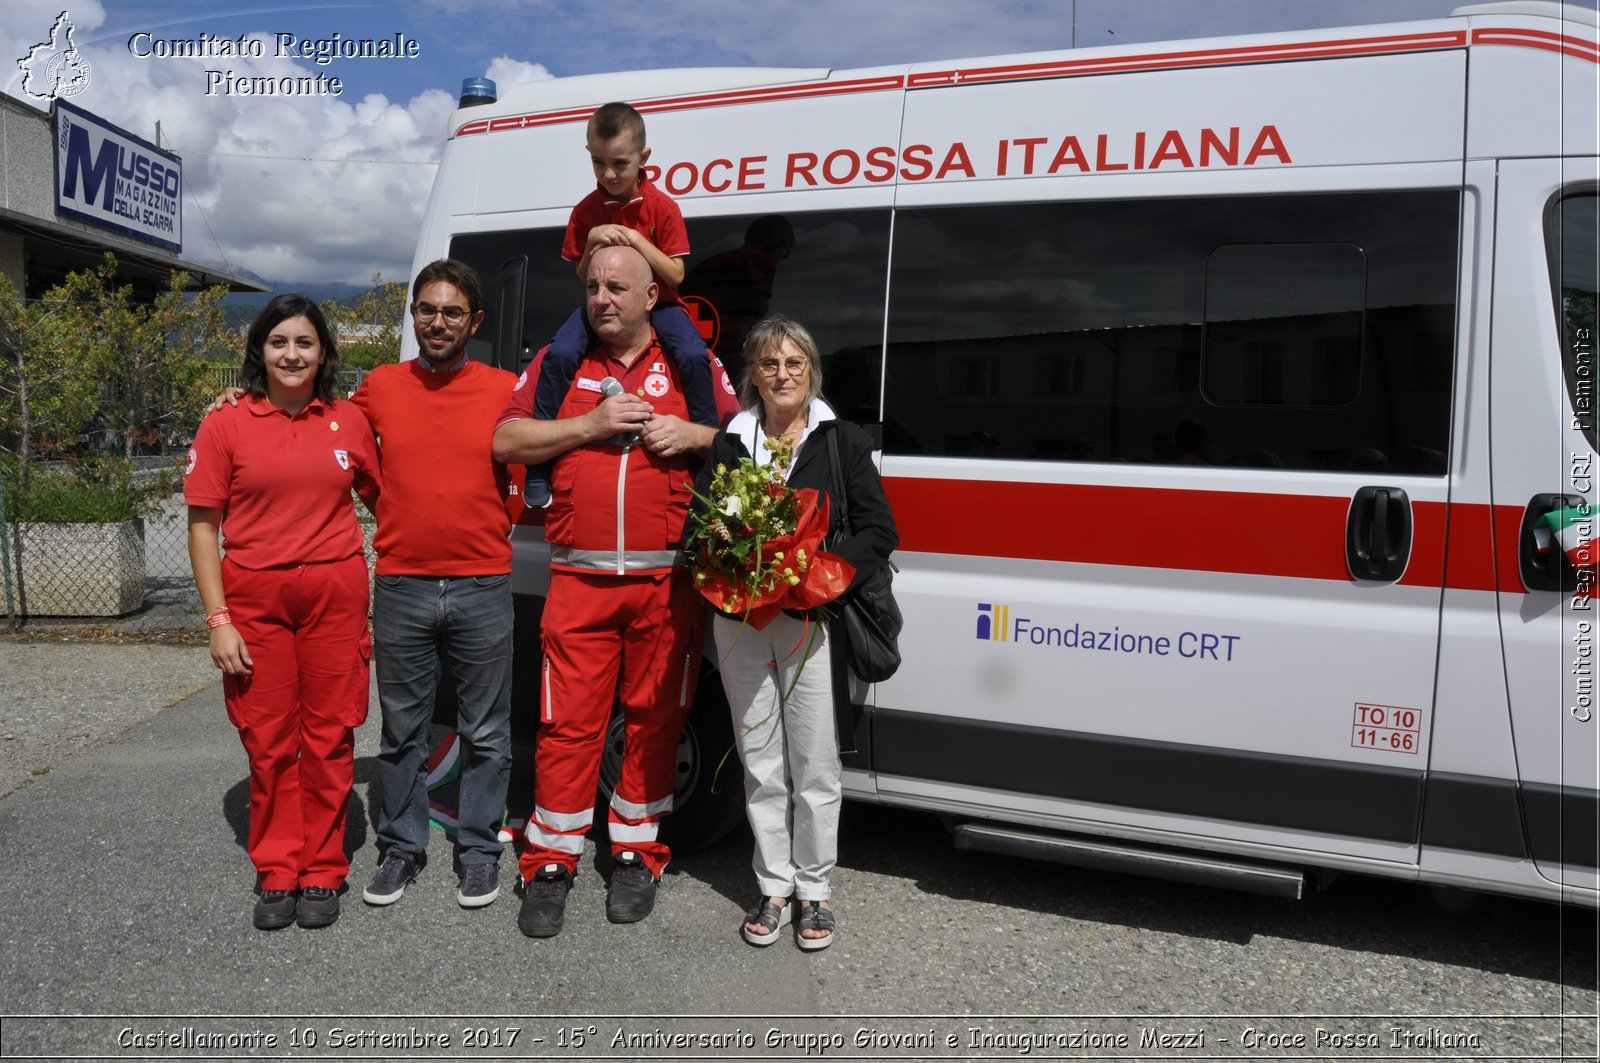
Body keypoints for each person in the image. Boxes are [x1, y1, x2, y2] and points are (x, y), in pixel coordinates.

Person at [492, 243, 737, 938]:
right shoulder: (561, 362)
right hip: (580, 579)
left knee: (656, 721)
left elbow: (740, 440)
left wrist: (693, 434)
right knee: (565, 726)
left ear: (651, 295)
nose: (602, 298)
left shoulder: (687, 364)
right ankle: (550, 860)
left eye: (618, 287)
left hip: (666, 581)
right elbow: (507, 440)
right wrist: (588, 426)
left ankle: (636, 853)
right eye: (594, 287)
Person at [690, 316, 898, 950]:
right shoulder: (733, 440)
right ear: (751, 374)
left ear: (812, 371)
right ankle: (773, 883)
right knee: (760, 762)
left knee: (814, 764)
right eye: (768, 364)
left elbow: (879, 532)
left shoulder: (842, 442)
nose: (782, 375)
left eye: (794, 363)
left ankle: (815, 891)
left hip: (812, 620)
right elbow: (697, 529)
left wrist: (819, 570)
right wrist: (727, 554)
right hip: (740, 623)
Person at [185, 294, 380, 931]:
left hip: (334, 596)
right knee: (268, 744)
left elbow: (387, 499)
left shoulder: (349, 421)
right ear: (259, 352)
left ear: (323, 353)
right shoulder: (226, 424)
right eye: (279, 343)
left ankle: (323, 867)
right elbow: (203, 526)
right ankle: (277, 867)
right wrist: (219, 620)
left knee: (329, 737)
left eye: (304, 343)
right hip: (255, 602)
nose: (292, 355)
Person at [355, 260, 518, 911]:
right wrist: (241, 399)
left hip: (482, 582)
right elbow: (324, 431)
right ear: (414, 315)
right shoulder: (380, 385)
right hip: (401, 584)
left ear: (475, 321)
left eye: (453, 311)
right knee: (402, 733)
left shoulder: (507, 387)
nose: (438, 321)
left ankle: (478, 851)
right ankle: (402, 846)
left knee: (487, 731)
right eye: (427, 309)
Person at [521, 101, 723, 508]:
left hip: (662, 305)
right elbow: (583, 276)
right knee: (559, 354)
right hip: (601, 304)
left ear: (644, 158)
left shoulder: (663, 207)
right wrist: (593, 240)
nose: (609, 174)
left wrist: (636, 241)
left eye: (620, 163)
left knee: (691, 354)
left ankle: (707, 460)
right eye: (598, 163)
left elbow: (677, 276)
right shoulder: (584, 212)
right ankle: (539, 466)